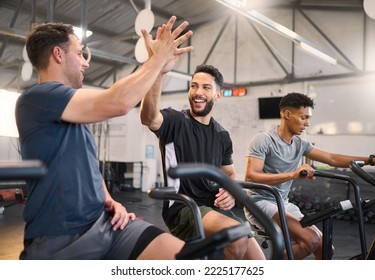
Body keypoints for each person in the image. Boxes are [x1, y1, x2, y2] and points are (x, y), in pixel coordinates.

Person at [15, 16, 193, 259]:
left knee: (184, 259)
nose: (86, 63)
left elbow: (88, 166)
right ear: (58, 54)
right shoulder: (37, 98)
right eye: (79, 54)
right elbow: (119, 102)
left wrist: (110, 200)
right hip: (62, 238)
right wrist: (157, 58)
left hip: (107, 224)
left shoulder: (73, 109)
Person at [140, 64, 266, 260]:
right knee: (236, 239)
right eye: (194, 86)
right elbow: (149, 117)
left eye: (206, 87)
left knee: (258, 261)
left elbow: (229, 174)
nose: (198, 92)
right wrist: (159, 71)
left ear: (217, 95)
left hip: (212, 207)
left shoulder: (222, 135)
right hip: (183, 207)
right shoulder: (176, 121)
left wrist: (230, 192)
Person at [243, 92, 375, 260]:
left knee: (326, 248)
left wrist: (370, 160)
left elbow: (332, 158)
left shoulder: (300, 143)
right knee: (310, 240)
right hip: (260, 203)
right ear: (288, 114)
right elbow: (251, 177)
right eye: (304, 117)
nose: (308, 123)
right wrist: (293, 174)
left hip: (283, 203)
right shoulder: (263, 139)